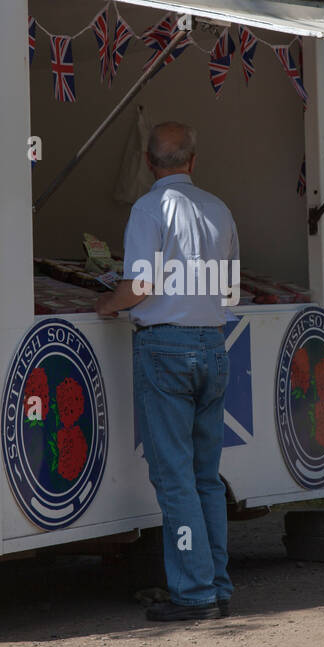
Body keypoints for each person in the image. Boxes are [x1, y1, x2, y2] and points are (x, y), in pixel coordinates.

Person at [95, 121, 239, 621]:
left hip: (165, 349)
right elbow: (230, 289)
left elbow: (139, 286)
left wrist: (108, 304)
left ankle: (195, 593)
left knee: (175, 478)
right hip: (213, 346)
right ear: (193, 161)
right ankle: (217, 585)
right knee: (205, 478)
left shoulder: (148, 209)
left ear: (149, 162)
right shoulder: (219, 209)